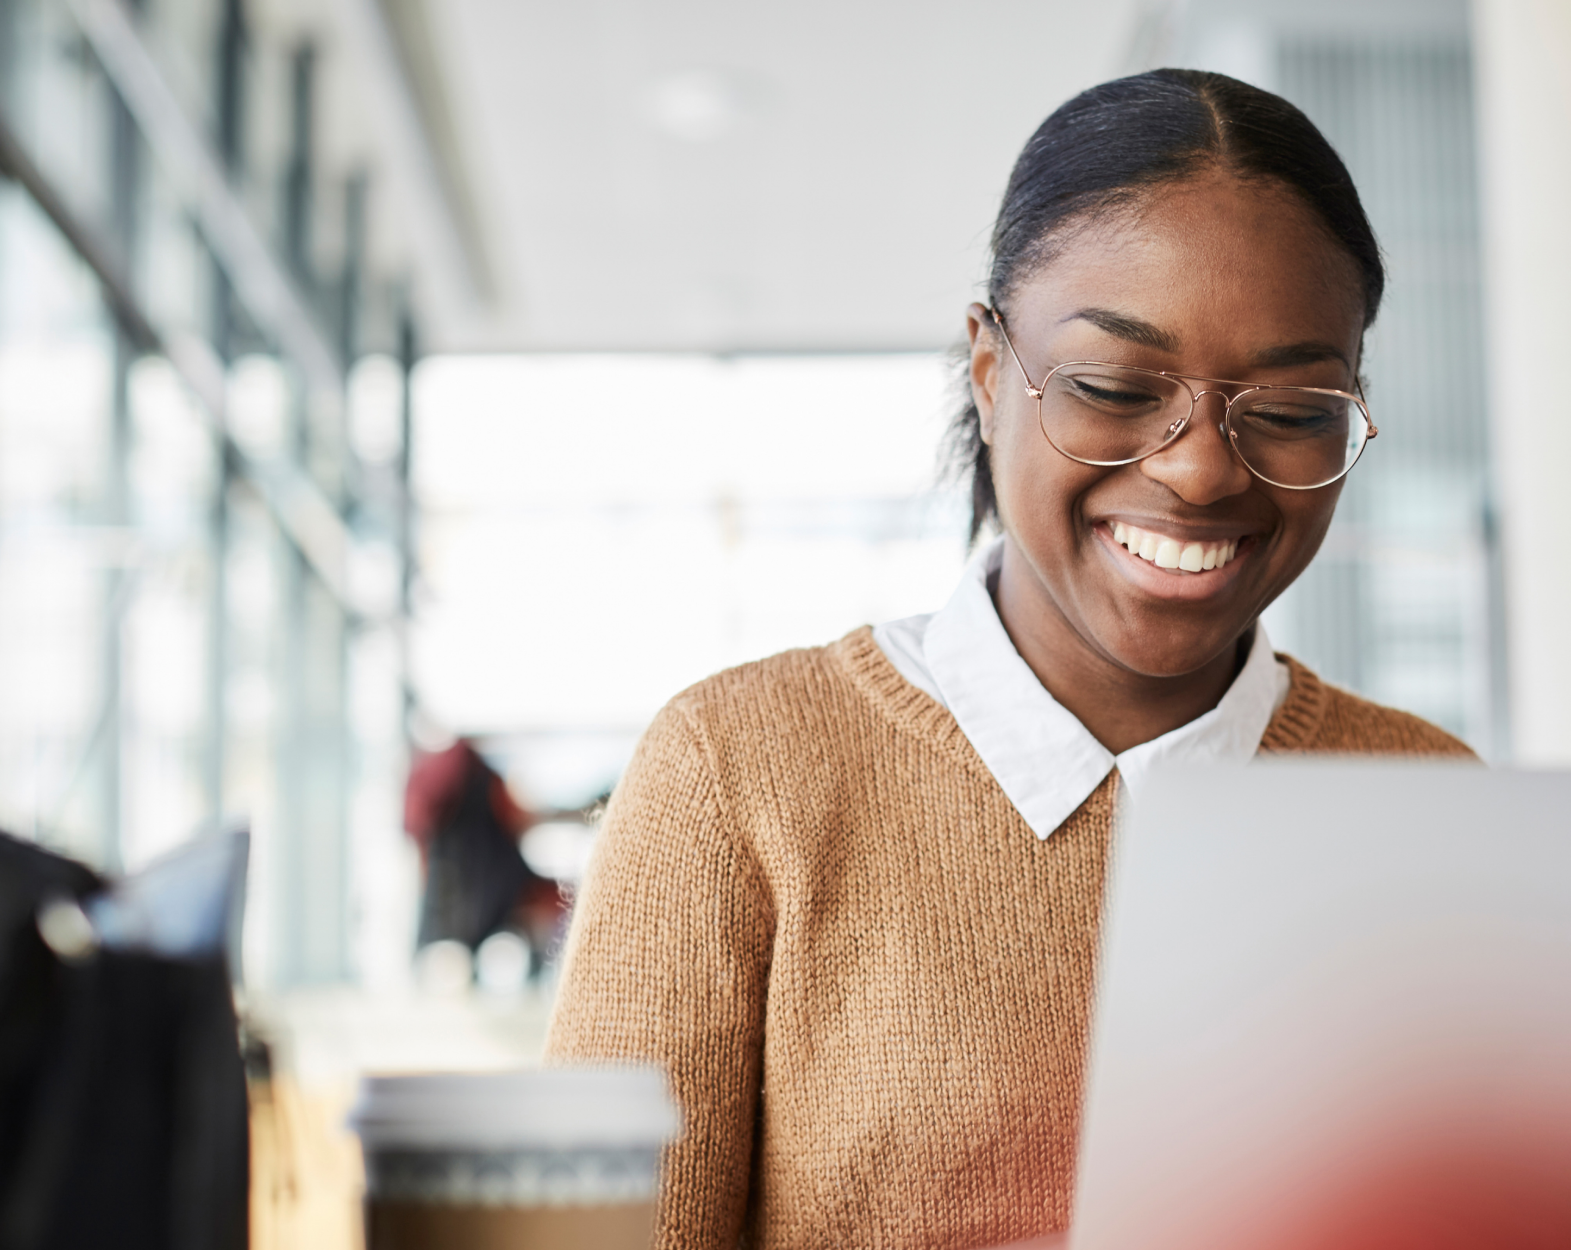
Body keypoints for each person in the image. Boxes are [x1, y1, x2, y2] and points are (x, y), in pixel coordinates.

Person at [546, 68, 1475, 1250]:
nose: (1201, 471)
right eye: (1114, 387)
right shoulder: (737, 774)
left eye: (1294, 407)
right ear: (988, 373)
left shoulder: (1427, 798)